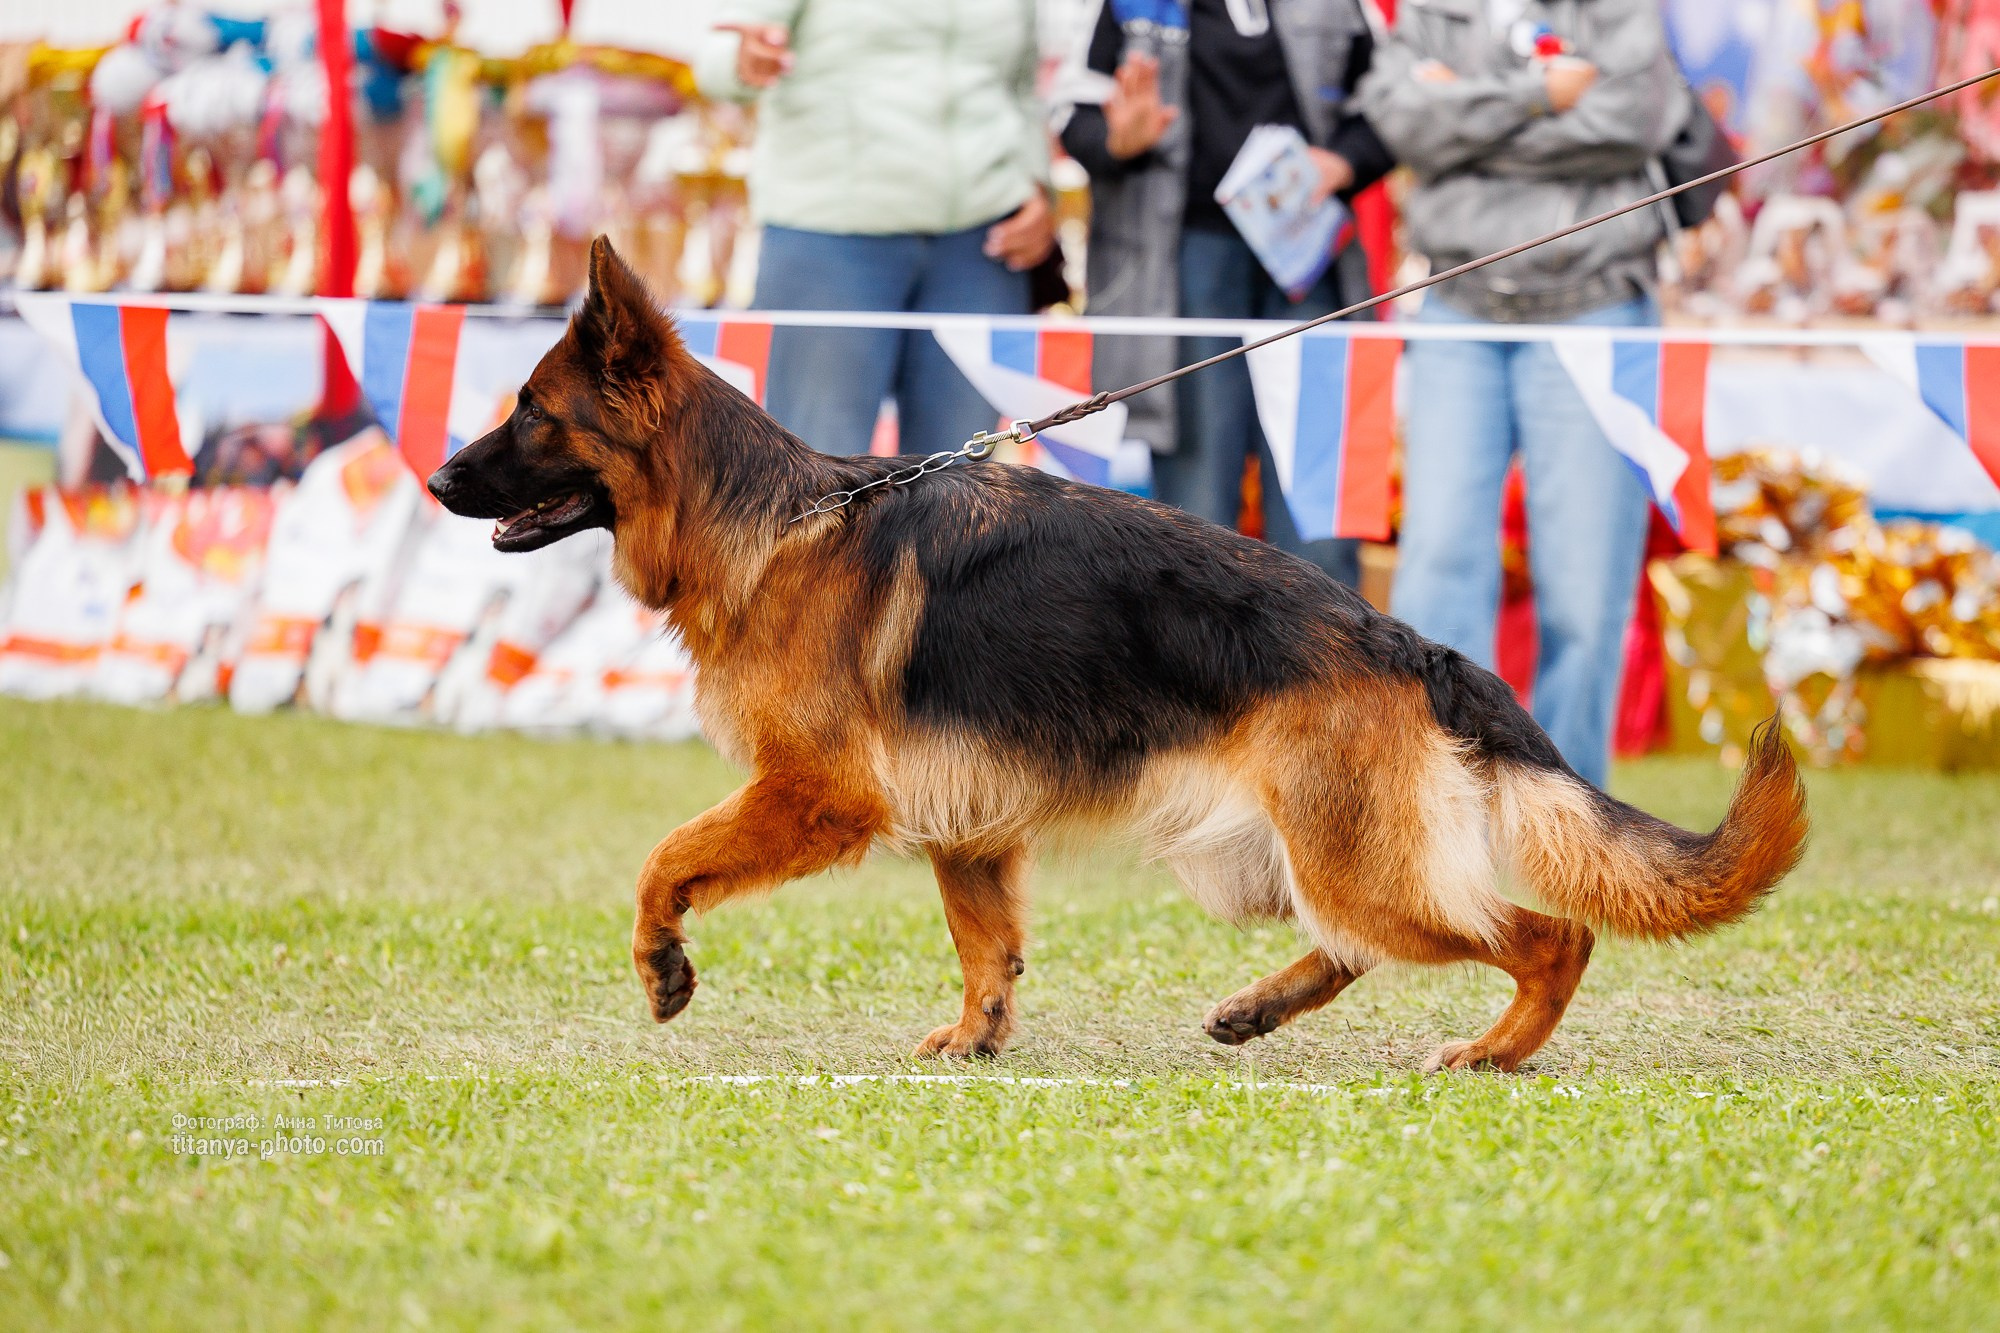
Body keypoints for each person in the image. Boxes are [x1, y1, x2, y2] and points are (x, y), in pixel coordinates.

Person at [1356, 0, 1687, 789]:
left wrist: (1462, 114)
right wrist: (1538, 95)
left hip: (1595, 303)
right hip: (1457, 305)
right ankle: (1441, 812)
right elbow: (1400, 120)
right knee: (1435, 579)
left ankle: (1573, 827)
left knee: (1583, 593)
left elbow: (1634, 117)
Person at [1060, 0, 1392, 587]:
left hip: (1308, 256)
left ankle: (1332, 673)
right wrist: (1118, 140)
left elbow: (1393, 105)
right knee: (1196, 517)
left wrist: (1343, 162)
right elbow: (1074, 114)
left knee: (1317, 512)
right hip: (1180, 261)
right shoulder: (1125, 6)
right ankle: (1199, 677)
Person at [696, 1, 1055, 456]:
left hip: (982, 247)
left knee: (963, 488)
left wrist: (1040, 188)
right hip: (829, 239)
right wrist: (740, 61)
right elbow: (718, 53)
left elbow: (1022, 89)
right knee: (815, 482)